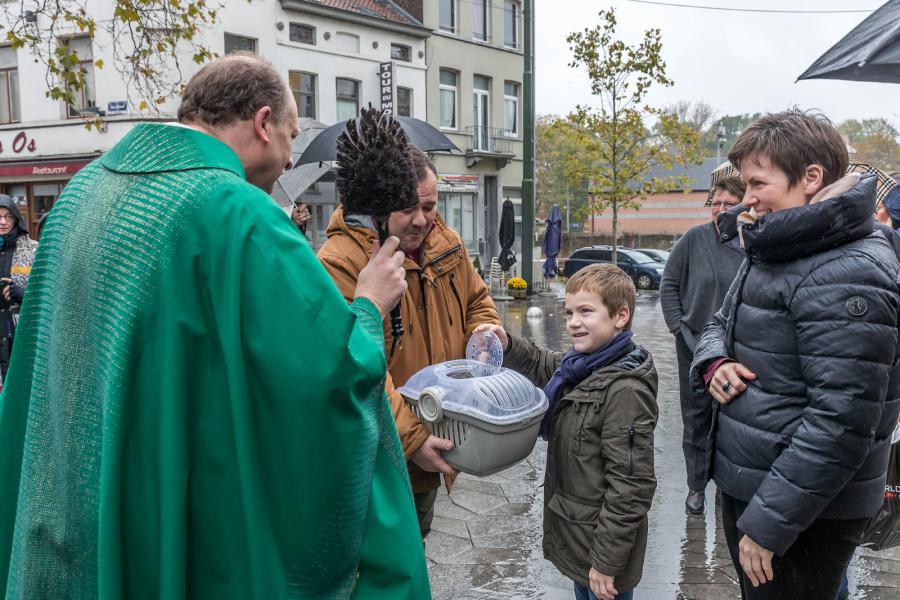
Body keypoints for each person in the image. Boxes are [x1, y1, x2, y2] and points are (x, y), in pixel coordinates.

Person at [0, 53, 430, 598]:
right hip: (168, 516)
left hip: (68, 502)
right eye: (290, 136)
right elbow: (330, 375)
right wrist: (369, 304)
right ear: (262, 122)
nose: (291, 153)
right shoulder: (238, 213)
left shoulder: (78, 195)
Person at [690, 110, 900, 599]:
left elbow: (842, 422)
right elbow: (720, 322)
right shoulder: (783, 243)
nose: (747, 201)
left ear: (810, 178)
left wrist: (768, 525)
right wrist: (714, 362)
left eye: (758, 183)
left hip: (803, 511)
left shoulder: (851, 269)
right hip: (761, 484)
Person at [318, 147, 501, 538]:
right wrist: (411, 437)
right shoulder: (342, 262)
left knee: (417, 543)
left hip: (440, 435)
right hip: (382, 456)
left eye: (431, 206)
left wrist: (485, 327)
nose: (422, 220)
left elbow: (476, 300)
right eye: (408, 208)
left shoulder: (446, 240)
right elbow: (354, 363)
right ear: (378, 207)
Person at [477, 263, 658, 600]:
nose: (573, 321)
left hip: (603, 553)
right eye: (569, 312)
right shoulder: (583, 365)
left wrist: (607, 561)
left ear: (620, 316)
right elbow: (544, 364)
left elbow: (632, 486)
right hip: (579, 536)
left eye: (586, 311)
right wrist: (509, 344)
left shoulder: (625, 391)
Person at [660, 166, 746, 515]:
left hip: (736, 351)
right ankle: (696, 486)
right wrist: (679, 328)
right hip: (693, 348)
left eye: (730, 203)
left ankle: (726, 486)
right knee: (696, 417)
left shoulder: (751, 244)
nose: (721, 209)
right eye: (716, 202)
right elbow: (668, 285)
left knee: (731, 419)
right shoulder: (693, 240)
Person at [0, 197, 36, 384]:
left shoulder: (33, 250)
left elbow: (47, 294)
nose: (3, 222)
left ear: (16, 218)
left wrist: (21, 293)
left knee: (21, 383)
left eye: (8, 216)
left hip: (22, 328)